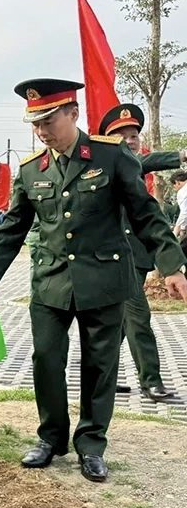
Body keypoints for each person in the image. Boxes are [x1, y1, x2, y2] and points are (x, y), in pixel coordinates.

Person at [0, 78, 187, 483]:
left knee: (99, 365)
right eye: (35, 123)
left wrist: (172, 265)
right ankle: (51, 439)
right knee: (46, 361)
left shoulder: (111, 157)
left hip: (104, 279)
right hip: (51, 282)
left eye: (49, 120)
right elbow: (13, 228)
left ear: (73, 113)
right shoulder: (31, 169)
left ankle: (91, 444)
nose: (41, 130)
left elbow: (146, 215)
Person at [99, 102, 186, 400]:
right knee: (138, 318)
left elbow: (147, 162)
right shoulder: (102, 167)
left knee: (118, 325)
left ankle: (99, 379)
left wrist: (180, 156)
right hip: (112, 260)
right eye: (121, 136)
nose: (129, 140)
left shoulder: (134, 164)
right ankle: (151, 380)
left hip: (136, 256)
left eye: (134, 135)